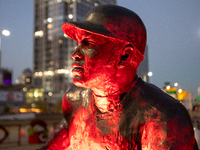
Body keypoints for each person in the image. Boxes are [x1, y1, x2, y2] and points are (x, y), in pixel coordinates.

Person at [39, 5, 198, 150]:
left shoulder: (163, 117)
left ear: (125, 55)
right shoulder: (74, 99)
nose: (75, 54)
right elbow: (65, 134)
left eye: (89, 44)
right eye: (79, 43)